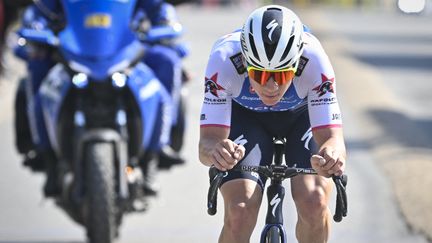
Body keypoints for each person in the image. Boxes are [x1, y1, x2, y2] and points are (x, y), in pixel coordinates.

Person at [198, 5, 346, 243]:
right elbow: (207, 144)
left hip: (301, 116)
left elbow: (333, 139)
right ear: (246, 64)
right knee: (239, 210)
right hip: (246, 117)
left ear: (296, 64)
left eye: (282, 75)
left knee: (314, 200)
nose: (271, 87)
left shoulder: (315, 60)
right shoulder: (224, 59)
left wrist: (332, 156)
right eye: (260, 75)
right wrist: (216, 152)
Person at [14, 0, 187, 196]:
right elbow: (39, 11)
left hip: (126, 49)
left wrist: (165, 21)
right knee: (37, 67)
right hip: (70, 52)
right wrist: (35, 25)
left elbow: (158, 8)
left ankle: (156, 152)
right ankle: (46, 155)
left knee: (168, 60)